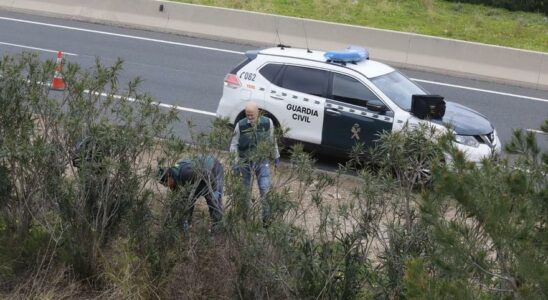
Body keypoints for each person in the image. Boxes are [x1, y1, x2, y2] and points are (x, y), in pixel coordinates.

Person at [230, 101, 280, 227]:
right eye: (247, 115)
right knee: (245, 189)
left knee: (264, 188)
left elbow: (272, 140)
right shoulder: (240, 125)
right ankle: (245, 217)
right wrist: (235, 163)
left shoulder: (267, 123)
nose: (250, 117)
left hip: (261, 160)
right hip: (245, 161)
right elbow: (234, 144)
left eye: (252, 115)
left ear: (258, 113)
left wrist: (276, 156)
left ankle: (266, 219)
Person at [159, 154, 224, 232]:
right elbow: (185, 199)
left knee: (212, 200)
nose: (166, 186)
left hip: (213, 168)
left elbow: (206, 173)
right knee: (187, 197)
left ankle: (217, 229)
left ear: (169, 177)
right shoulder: (175, 177)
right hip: (199, 176)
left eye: (165, 183)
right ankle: (187, 223)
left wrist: (213, 189)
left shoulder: (186, 173)